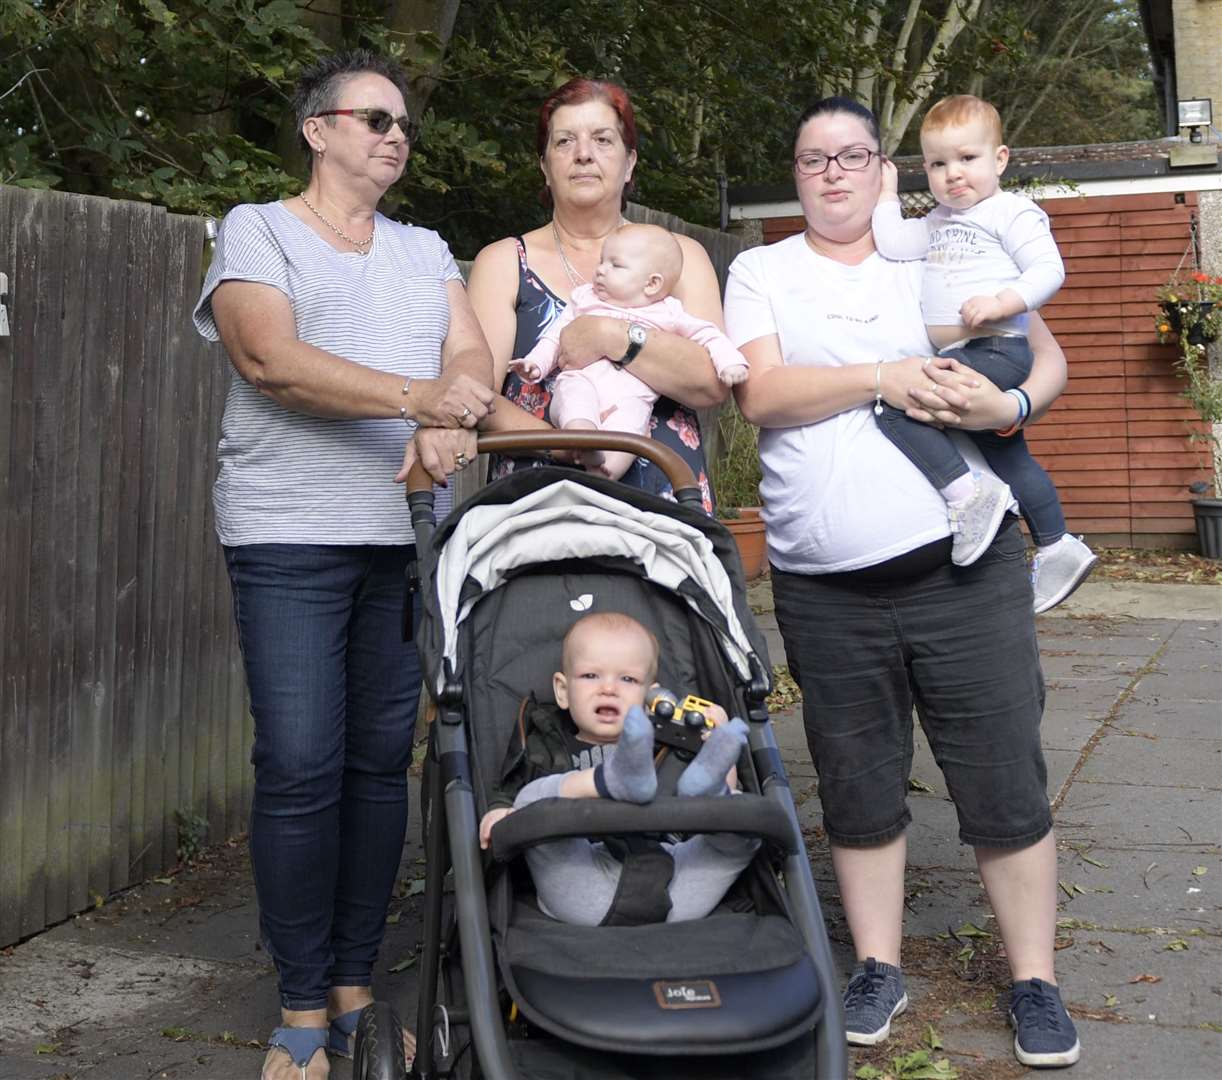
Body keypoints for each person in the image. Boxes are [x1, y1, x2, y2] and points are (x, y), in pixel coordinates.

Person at [723, 97, 1081, 1069]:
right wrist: (884, 375)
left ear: (887, 168)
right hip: (822, 583)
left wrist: (1006, 403)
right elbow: (761, 393)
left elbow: (1045, 360)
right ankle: (877, 965)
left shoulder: (943, 247)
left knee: (1004, 775)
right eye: (812, 159)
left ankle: (1034, 979)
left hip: (962, 577)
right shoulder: (761, 269)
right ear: (795, 175)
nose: (833, 172)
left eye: (853, 155)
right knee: (857, 784)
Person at [192, 50, 495, 1080]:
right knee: (300, 765)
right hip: (287, 535)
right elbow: (269, 359)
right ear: (317, 130)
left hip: (402, 538)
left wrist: (455, 413)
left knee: (377, 771)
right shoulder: (259, 229)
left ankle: (359, 989)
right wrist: (419, 401)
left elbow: (472, 361)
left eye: (403, 122)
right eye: (372, 117)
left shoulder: (421, 248)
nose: (394, 134)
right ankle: (300, 1009)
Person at [870, 94, 1096, 609]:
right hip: (976, 350)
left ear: (999, 160)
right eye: (937, 163)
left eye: (967, 159)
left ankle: (969, 496)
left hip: (998, 347)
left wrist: (1002, 301)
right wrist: (886, 191)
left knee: (896, 404)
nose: (952, 174)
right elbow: (891, 243)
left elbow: (1048, 270)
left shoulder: (1011, 212)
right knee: (1008, 453)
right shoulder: (935, 222)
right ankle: (1059, 544)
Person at [467, 78, 729, 512]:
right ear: (545, 166)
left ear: (629, 164)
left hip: (663, 505)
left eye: (602, 140)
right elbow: (475, 398)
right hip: (539, 507)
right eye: (565, 141)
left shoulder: (679, 258)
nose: (583, 153)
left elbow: (711, 382)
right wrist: (569, 444)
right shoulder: (504, 262)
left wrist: (614, 336)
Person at [477, 612, 757, 925]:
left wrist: (714, 745)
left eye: (627, 679)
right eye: (590, 676)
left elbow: (722, 822)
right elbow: (510, 791)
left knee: (743, 825)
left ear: (652, 697)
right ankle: (607, 780)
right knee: (531, 799)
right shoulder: (546, 743)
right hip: (581, 881)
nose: (608, 688)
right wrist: (499, 811)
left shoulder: (673, 746)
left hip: (675, 885)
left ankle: (710, 788)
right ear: (562, 690)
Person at [509, 222, 748, 478]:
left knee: (632, 423)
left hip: (631, 396)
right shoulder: (585, 299)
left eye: (616, 265)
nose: (600, 270)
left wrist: (730, 362)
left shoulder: (668, 312)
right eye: (602, 261)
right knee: (574, 399)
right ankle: (583, 439)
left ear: (652, 284)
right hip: (581, 380)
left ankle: (607, 470)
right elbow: (555, 336)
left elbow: (709, 334)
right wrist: (536, 363)